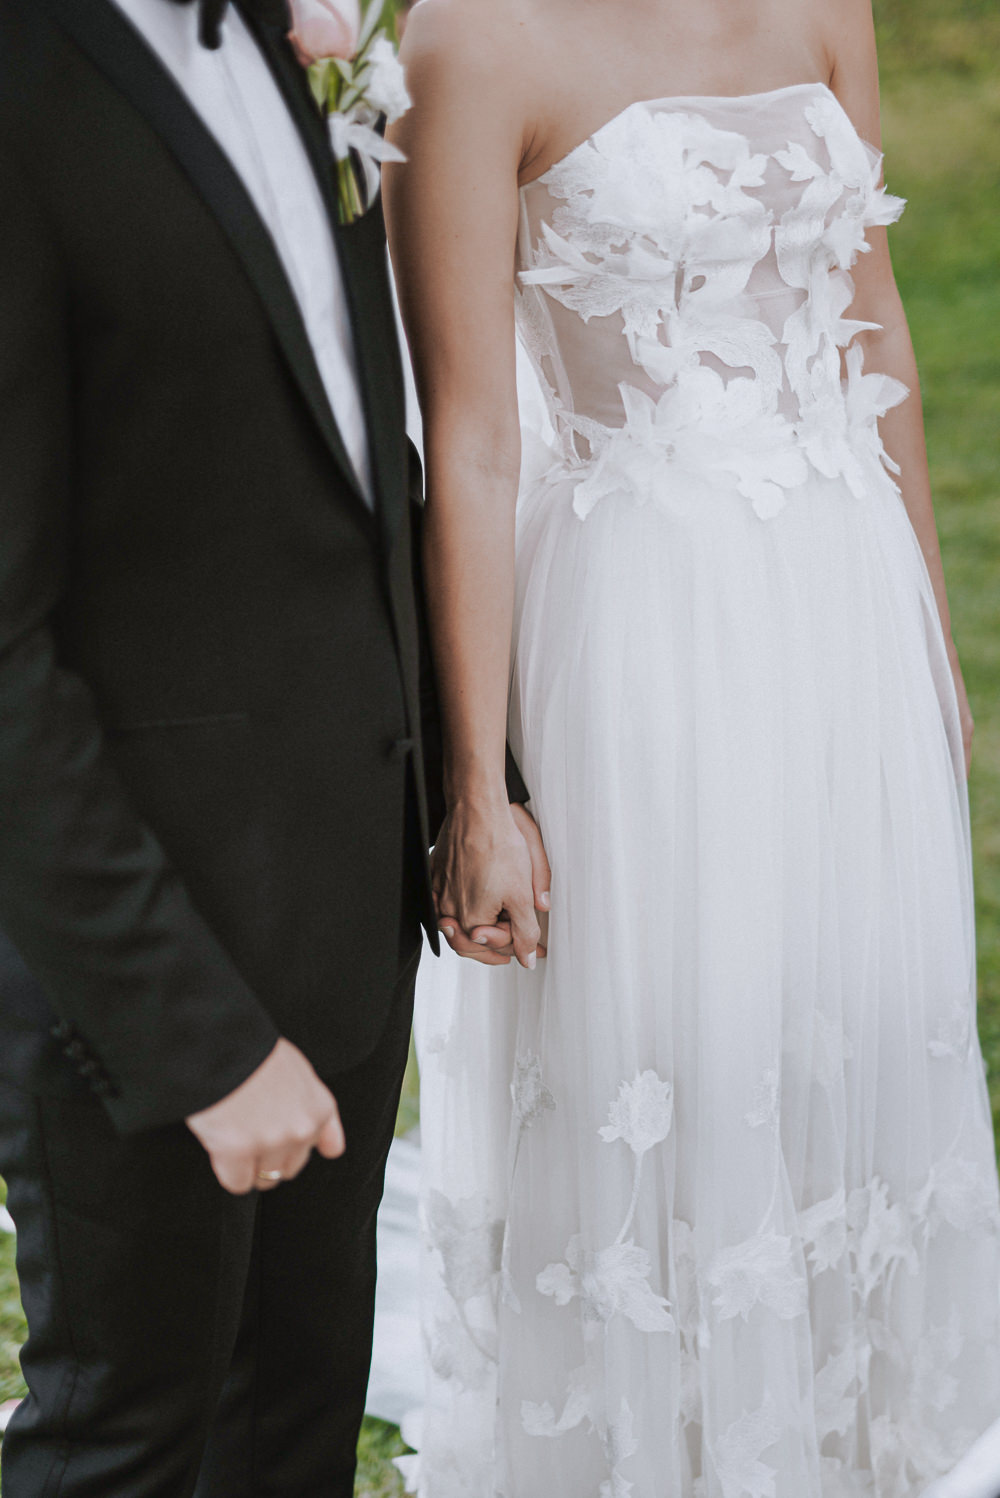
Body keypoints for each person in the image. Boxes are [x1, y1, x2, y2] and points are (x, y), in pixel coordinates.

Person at [385, 0, 1000, 1492]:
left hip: (839, 610)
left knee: (840, 1027)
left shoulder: (822, 5)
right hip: (640, 640)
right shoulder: (472, 45)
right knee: (679, 1052)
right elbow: (470, 436)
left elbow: (879, 323)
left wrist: (923, 633)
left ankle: (845, 1443)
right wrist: (479, 789)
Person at [0, 0, 534, 1492]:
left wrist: (466, 781)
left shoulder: (310, 51)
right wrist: (195, 1037)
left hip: (344, 911)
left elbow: (357, 466)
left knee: (294, 1423)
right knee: (130, 1442)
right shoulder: (23, 87)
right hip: (135, 980)